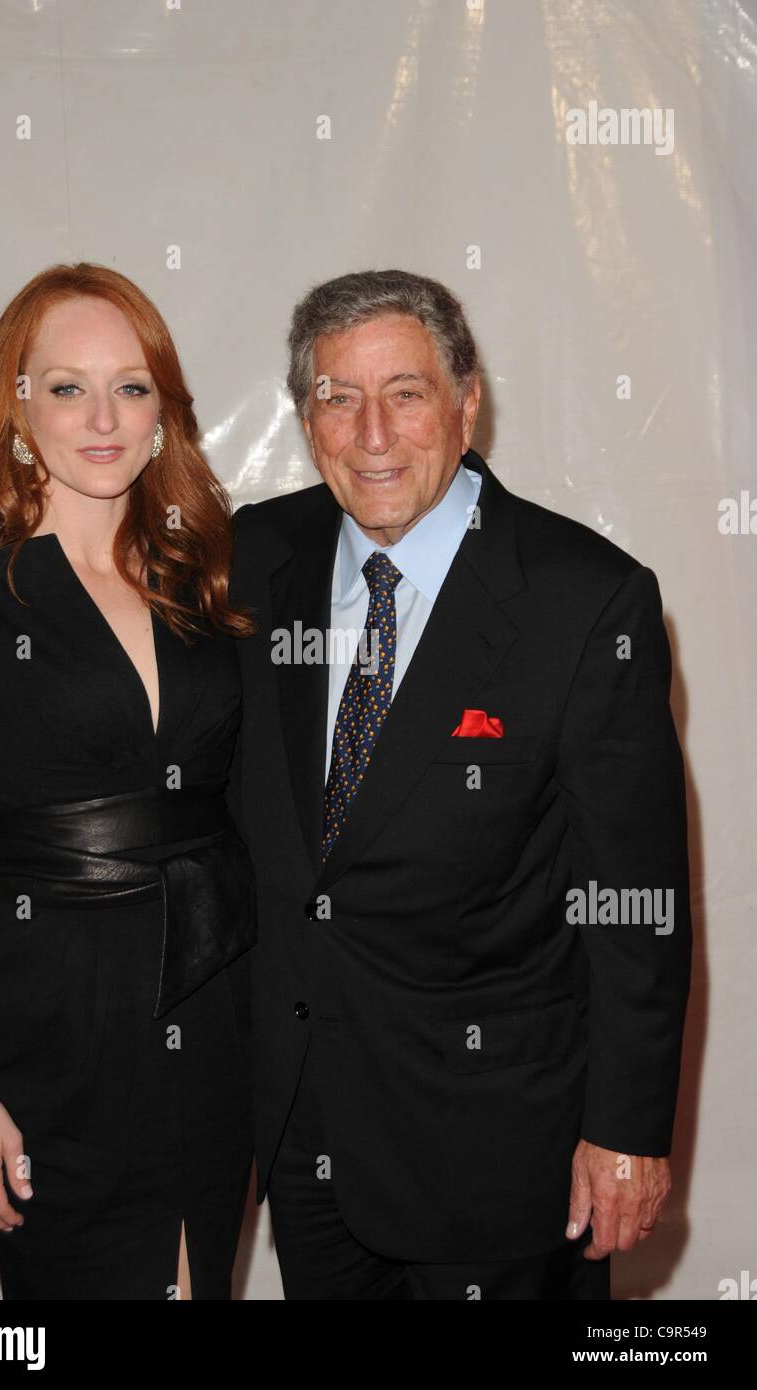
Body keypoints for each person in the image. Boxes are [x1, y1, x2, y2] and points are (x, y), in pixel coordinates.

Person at [228, 268, 692, 1300]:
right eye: (336, 398)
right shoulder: (252, 559)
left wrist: (623, 1131)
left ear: (465, 400)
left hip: (501, 1152)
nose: (372, 433)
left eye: (404, 391)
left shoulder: (582, 600)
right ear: (305, 417)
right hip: (308, 1141)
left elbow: (636, 902)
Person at [0, 262, 257, 1300]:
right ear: (14, 403)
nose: (103, 416)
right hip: (52, 1027)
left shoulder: (207, 584)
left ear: (162, 413)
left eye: (132, 386)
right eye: (66, 386)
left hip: (210, 1004)